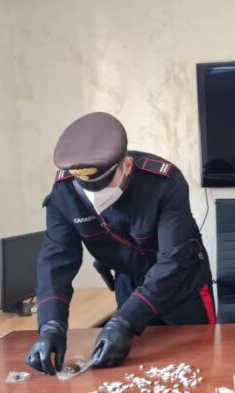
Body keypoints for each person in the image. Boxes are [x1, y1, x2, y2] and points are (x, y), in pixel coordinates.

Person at [25, 112, 215, 374]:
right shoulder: (64, 192)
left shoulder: (163, 182)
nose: (96, 196)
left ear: (126, 165)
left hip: (182, 288)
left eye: (104, 185)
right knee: (130, 372)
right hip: (129, 284)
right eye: (88, 188)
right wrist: (51, 324)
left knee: (198, 368)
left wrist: (125, 321)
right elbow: (55, 260)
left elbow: (174, 259)